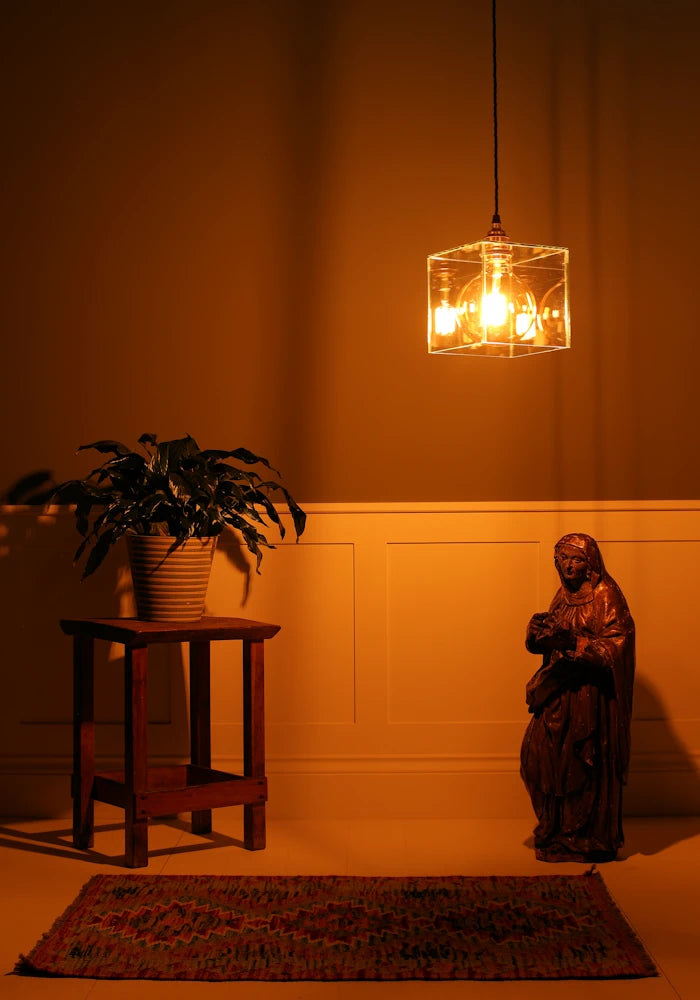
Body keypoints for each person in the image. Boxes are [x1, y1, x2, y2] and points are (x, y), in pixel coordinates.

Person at [520, 533, 635, 862]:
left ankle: (585, 837)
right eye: (563, 559)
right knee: (537, 758)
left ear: (591, 564)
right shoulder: (563, 595)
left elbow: (617, 646)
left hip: (590, 698)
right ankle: (555, 828)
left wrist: (573, 642)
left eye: (576, 559)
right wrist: (537, 636)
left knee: (582, 764)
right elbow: (551, 642)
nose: (568, 565)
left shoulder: (606, 596)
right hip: (559, 689)